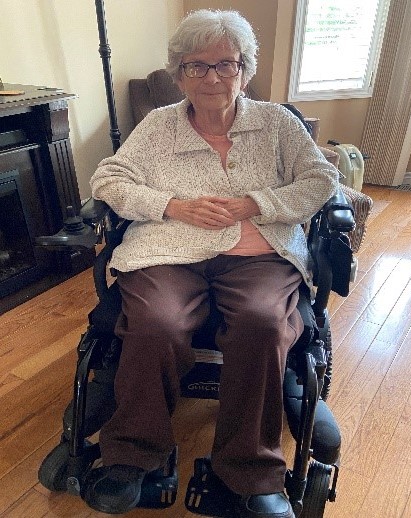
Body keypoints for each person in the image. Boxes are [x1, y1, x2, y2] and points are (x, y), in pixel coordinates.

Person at [83, 9, 339, 517]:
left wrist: (256, 203)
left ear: (245, 70)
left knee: (264, 322)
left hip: (259, 254)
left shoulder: (278, 124)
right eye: (197, 66)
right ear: (179, 74)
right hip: (169, 252)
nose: (213, 77)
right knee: (157, 321)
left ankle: (250, 470)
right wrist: (173, 206)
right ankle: (134, 454)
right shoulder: (157, 127)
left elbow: (319, 181)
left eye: (226, 64)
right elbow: (108, 180)